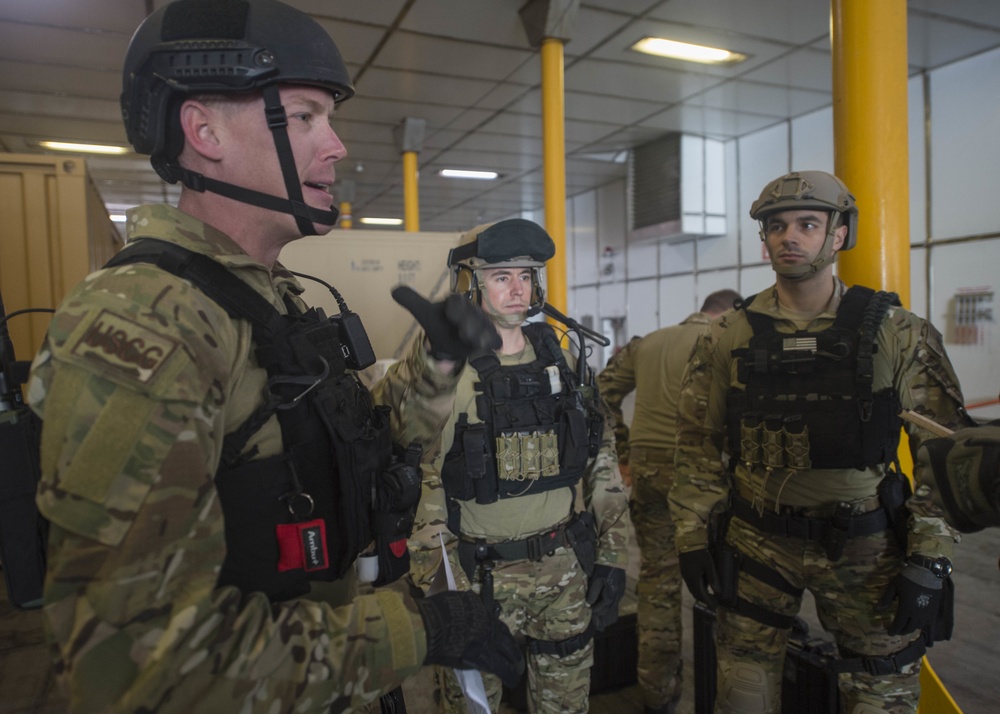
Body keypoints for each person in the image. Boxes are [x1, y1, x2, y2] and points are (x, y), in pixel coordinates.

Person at [26, 1, 523, 711]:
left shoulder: (267, 301)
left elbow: (363, 450)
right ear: (203, 131)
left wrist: (436, 359)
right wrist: (414, 632)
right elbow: (132, 666)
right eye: (304, 116)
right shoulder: (148, 321)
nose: (338, 146)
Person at [669, 170, 976, 714]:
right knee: (743, 690)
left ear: (838, 234)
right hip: (756, 539)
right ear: (763, 239)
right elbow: (696, 443)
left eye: (808, 224)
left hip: (866, 545)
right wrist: (693, 535)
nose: (790, 237)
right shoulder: (727, 335)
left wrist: (930, 559)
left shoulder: (898, 332)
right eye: (777, 226)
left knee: (882, 689)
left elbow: (944, 456)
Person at [403, 218, 632, 713]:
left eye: (525, 276)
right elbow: (420, 475)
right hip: (479, 577)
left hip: (562, 569)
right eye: (501, 276)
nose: (517, 289)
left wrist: (614, 554)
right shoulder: (445, 370)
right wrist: (444, 589)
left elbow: (601, 456)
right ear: (471, 285)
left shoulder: (562, 358)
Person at [597, 288, 741, 714]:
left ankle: (658, 693)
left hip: (647, 470)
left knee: (658, 581)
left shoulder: (648, 343)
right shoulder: (728, 340)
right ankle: (733, 694)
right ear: (728, 312)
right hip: (705, 477)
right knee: (728, 582)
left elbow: (601, 391)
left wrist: (622, 451)